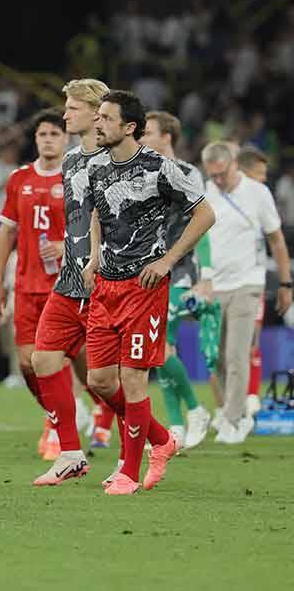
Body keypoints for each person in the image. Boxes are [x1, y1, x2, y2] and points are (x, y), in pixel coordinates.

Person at [84, 90, 214, 495]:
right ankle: (161, 439)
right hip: (106, 285)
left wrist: (168, 260)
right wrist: (92, 257)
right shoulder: (97, 168)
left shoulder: (161, 169)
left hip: (145, 286)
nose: (97, 123)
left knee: (133, 378)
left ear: (129, 127)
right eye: (98, 116)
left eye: (106, 118)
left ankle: (128, 470)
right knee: (100, 381)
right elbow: (97, 213)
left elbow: (206, 213)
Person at [30, 78, 110, 486]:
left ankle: (158, 439)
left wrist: (101, 256)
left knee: (107, 382)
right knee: (42, 359)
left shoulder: (121, 160)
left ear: (97, 113)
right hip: (70, 280)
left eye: (72, 108)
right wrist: (69, 249)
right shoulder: (73, 161)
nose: (64, 115)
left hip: (110, 282)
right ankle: (70, 453)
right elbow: (79, 219)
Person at [0, 109, 67, 460]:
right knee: (26, 364)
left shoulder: (75, 179)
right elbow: (7, 232)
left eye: (54, 133)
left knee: (61, 361)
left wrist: (66, 246)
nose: (48, 139)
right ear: (35, 140)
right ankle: (57, 413)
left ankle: (59, 427)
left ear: (66, 139)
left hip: (64, 286)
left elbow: (92, 230)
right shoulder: (19, 178)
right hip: (25, 284)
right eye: (42, 134)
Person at [201, 141, 291, 444]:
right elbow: (201, 240)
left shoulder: (257, 193)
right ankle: (231, 411)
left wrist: (285, 283)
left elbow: (276, 241)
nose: (218, 180)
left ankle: (232, 420)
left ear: (233, 164)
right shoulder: (208, 191)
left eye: (221, 174)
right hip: (215, 286)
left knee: (237, 353)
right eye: (212, 175)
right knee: (216, 358)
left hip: (247, 283)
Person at [140, 111, 216, 449]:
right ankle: (176, 424)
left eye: (148, 132)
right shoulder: (140, 173)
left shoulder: (186, 173)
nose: (141, 137)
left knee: (161, 348)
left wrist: (208, 276)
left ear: (166, 136)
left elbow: (203, 224)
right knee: (159, 348)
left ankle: (197, 410)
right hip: (147, 268)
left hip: (180, 268)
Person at [235, 144, 268, 414]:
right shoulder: (222, 200)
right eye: (259, 174)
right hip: (224, 284)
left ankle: (251, 397)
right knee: (222, 353)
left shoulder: (261, 200)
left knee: (251, 342)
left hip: (253, 281)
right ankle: (228, 405)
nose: (264, 179)